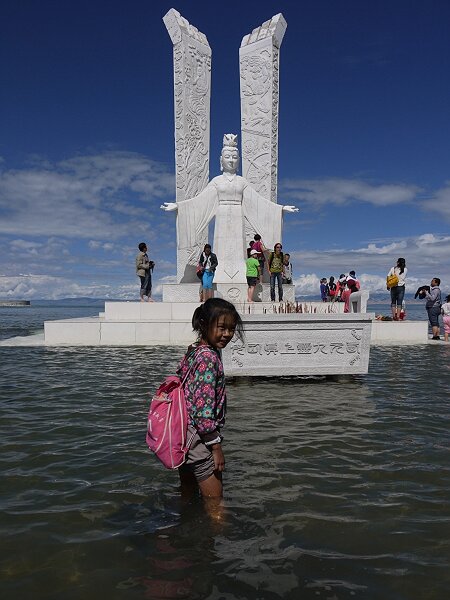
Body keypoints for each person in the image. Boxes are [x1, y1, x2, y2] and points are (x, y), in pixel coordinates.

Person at [161, 134, 297, 284]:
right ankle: (220, 272)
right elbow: (201, 201)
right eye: (227, 157)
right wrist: (179, 206)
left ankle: (239, 272)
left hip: (238, 215)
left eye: (234, 157)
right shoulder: (217, 181)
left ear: (238, 160)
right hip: (222, 215)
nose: (231, 160)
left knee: (238, 250)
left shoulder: (242, 182)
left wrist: (281, 209)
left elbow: (258, 202)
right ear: (221, 160)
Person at [177, 298, 244, 506]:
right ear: (204, 325)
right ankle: (217, 536)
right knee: (215, 504)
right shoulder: (209, 358)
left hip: (182, 434)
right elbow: (203, 412)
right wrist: (216, 448)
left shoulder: (195, 350)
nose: (227, 334)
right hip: (199, 439)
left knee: (187, 495)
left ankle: (184, 533)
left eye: (231, 329)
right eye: (221, 328)